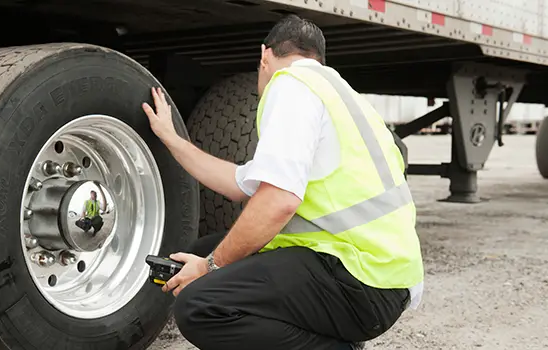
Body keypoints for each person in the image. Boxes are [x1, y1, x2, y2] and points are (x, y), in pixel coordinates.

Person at [141, 14, 424, 350]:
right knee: (195, 253)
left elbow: (278, 201)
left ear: (264, 55)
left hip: (363, 281)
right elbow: (237, 182)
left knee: (201, 305)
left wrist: (211, 266)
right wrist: (172, 139)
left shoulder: (291, 85)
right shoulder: (338, 94)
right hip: (376, 271)